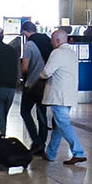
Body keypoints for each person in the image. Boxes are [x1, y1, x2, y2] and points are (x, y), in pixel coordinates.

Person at [37, 26, 87, 165]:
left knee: (63, 123)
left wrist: (39, 76)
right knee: (59, 125)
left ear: (57, 40)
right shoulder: (71, 53)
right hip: (69, 95)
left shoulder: (57, 53)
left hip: (58, 95)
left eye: (52, 40)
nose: (51, 43)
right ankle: (51, 153)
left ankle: (79, 152)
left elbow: (46, 72)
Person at [16, 21, 54, 156]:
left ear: (25, 32)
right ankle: (41, 144)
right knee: (41, 115)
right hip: (47, 84)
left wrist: (20, 71)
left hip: (32, 84)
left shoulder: (29, 44)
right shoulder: (48, 41)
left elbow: (25, 67)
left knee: (25, 111)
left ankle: (36, 141)